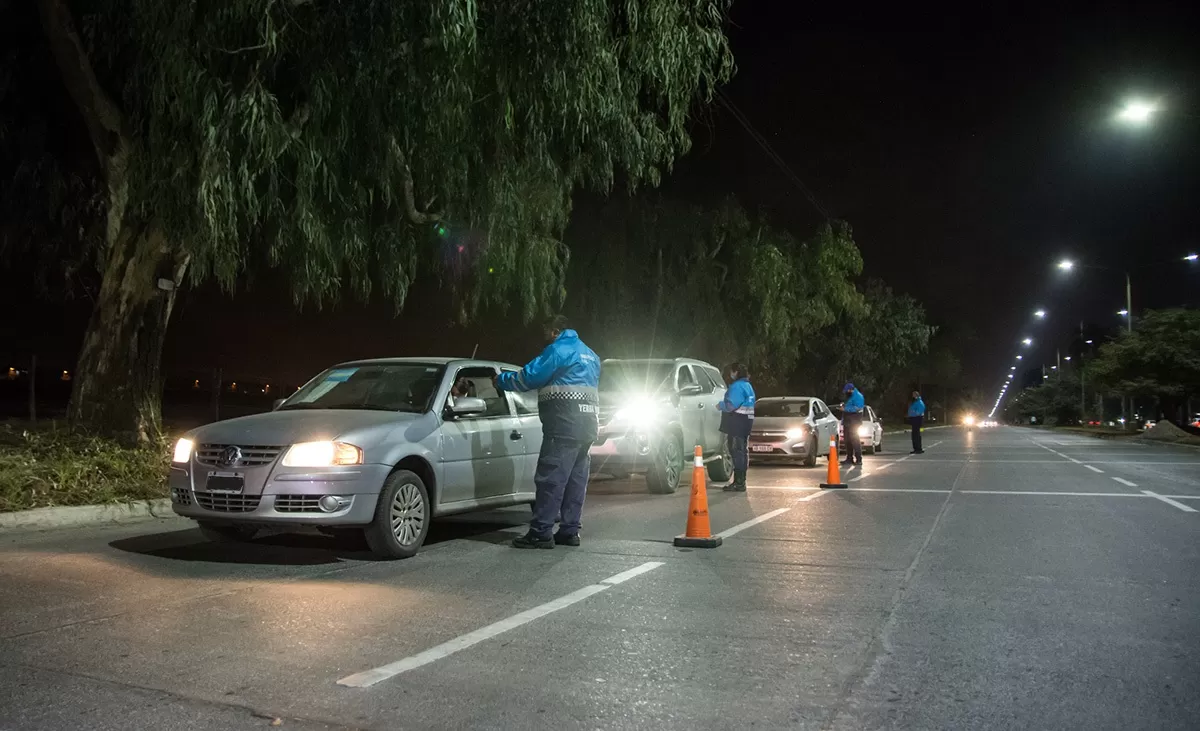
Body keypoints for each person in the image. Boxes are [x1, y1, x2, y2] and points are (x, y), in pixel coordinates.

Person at [495, 315, 601, 549]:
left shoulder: (558, 350)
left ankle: (541, 531)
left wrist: (501, 380)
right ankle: (570, 531)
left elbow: (528, 377)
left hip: (564, 423)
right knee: (576, 480)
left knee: (551, 478)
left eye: (545, 331)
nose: (544, 336)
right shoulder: (591, 355)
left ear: (554, 331)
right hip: (588, 425)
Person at [717, 362, 756, 492]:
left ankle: (738, 482)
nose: (731, 374)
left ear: (736, 372)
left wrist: (720, 405)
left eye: (732, 371)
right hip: (746, 423)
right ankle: (741, 481)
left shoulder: (737, 387)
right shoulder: (748, 386)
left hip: (737, 423)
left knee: (736, 451)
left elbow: (731, 405)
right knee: (743, 452)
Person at [841, 382, 866, 467]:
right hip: (848, 421)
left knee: (854, 440)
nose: (846, 393)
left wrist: (845, 409)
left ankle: (858, 459)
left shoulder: (858, 396)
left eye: (847, 391)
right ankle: (849, 458)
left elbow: (857, 408)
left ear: (851, 390)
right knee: (847, 440)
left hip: (854, 421)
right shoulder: (850, 396)